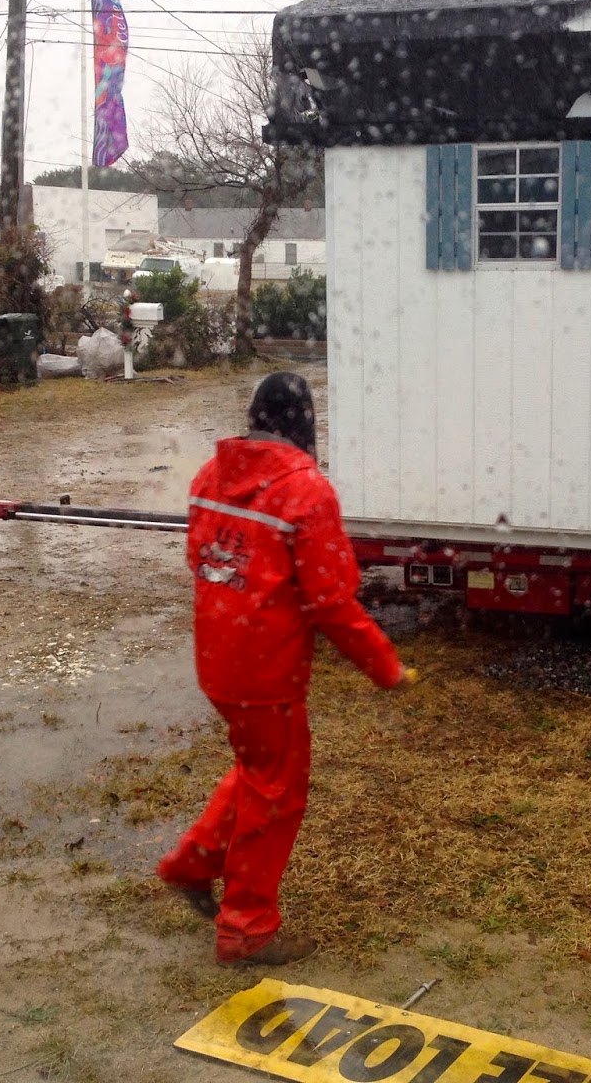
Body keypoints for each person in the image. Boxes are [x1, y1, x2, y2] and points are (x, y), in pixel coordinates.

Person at [156, 371, 408, 967]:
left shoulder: (209, 476)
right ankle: (246, 929)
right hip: (266, 673)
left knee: (258, 767)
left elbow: (200, 559)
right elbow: (331, 602)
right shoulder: (307, 492)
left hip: (218, 661)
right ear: (306, 424)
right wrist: (386, 667)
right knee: (276, 794)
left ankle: (192, 864)